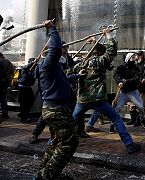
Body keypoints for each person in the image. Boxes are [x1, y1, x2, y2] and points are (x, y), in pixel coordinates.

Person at [72, 28, 141, 154]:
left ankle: (52, 142)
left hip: (82, 99)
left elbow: (70, 71)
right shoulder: (99, 61)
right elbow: (111, 51)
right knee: (116, 119)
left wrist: (94, 42)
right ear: (99, 53)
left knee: (71, 121)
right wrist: (108, 35)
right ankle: (129, 144)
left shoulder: (80, 64)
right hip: (98, 98)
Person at [33, 20, 83, 180]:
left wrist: (77, 76)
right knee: (70, 142)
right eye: (63, 51)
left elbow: (65, 80)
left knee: (56, 142)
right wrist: (52, 29)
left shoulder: (55, 68)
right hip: (56, 110)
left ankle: (42, 173)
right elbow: (54, 48)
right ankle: (46, 176)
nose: (64, 53)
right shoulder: (47, 64)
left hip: (57, 109)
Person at [113, 52, 145, 129]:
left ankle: (143, 121)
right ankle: (113, 124)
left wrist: (126, 81)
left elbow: (136, 79)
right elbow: (116, 74)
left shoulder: (136, 68)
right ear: (128, 58)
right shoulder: (121, 67)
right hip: (123, 92)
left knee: (141, 107)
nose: (135, 58)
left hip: (133, 92)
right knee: (118, 108)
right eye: (133, 57)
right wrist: (119, 81)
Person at [17, 58, 38, 122]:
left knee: (30, 101)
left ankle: (23, 114)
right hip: (23, 87)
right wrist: (33, 62)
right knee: (24, 102)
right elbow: (26, 67)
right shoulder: (25, 69)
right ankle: (23, 117)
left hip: (27, 87)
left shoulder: (32, 71)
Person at [0, 52, 14, 119]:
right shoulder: (8, 62)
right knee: (3, 97)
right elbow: (12, 72)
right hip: (6, 82)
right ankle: (5, 113)